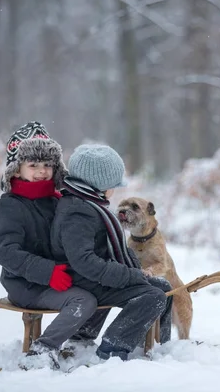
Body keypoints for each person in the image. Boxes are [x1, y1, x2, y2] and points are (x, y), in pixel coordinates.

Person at [0, 122, 98, 370]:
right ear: (16, 169)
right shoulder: (9, 206)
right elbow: (6, 252)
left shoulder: (57, 201)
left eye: (48, 165)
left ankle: (80, 341)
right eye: (33, 165)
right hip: (26, 284)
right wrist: (47, 272)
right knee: (83, 300)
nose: (42, 171)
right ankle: (42, 350)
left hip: (62, 275)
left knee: (102, 286)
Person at [51, 144, 173, 361]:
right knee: (154, 296)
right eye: (113, 185)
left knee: (164, 287)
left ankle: (161, 344)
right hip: (82, 280)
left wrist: (129, 268)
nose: (115, 191)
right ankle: (112, 349)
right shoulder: (78, 212)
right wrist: (127, 275)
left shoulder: (87, 204)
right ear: (101, 184)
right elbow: (84, 261)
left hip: (90, 277)